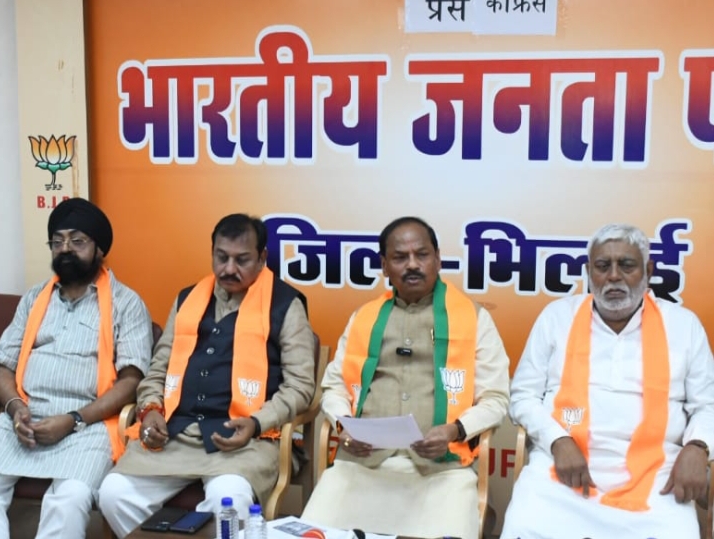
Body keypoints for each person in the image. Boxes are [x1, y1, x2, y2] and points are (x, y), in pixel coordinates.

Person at [99, 213, 317, 538]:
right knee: (114, 493)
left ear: (262, 258)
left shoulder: (286, 305)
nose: (229, 269)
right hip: (175, 436)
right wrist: (150, 409)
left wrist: (257, 422)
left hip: (244, 443)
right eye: (221, 257)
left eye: (242, 260)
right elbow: (158, 368)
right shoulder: (188, 299)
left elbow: (300, 386)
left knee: (228, 501)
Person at [301, 216, 510, 539]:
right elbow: (334, 386)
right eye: (400, 257)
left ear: (437, 259)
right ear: (384, 266)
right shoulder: (364, 318)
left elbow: (495, 399)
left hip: (443, 468)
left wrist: (455, 430)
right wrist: (345, 424)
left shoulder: (474, 318)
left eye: (422, 255)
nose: (412, 264)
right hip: (361, 464)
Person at [501, 223, 714, 539]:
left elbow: (708, 404)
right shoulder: (556, 317)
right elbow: (522, 395)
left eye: (626, 265)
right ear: (589, 273)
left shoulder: (683, 325)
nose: (614, 276)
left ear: (648, 271)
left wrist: (698, 446)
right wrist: (557, 440)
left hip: (657, 478)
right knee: (524, 526)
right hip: (561, 473)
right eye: (603, 266)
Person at [0, 197, 153, 539]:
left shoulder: (127, 303)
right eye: (58, 241)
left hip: (88, 427)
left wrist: (74, 419)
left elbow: (131, 381)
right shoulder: (34, 298)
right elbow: (2, 364)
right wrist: (15, 408)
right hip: (22, 420)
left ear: (99, 249)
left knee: (69, 498)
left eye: (77, 241)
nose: (66, 249)